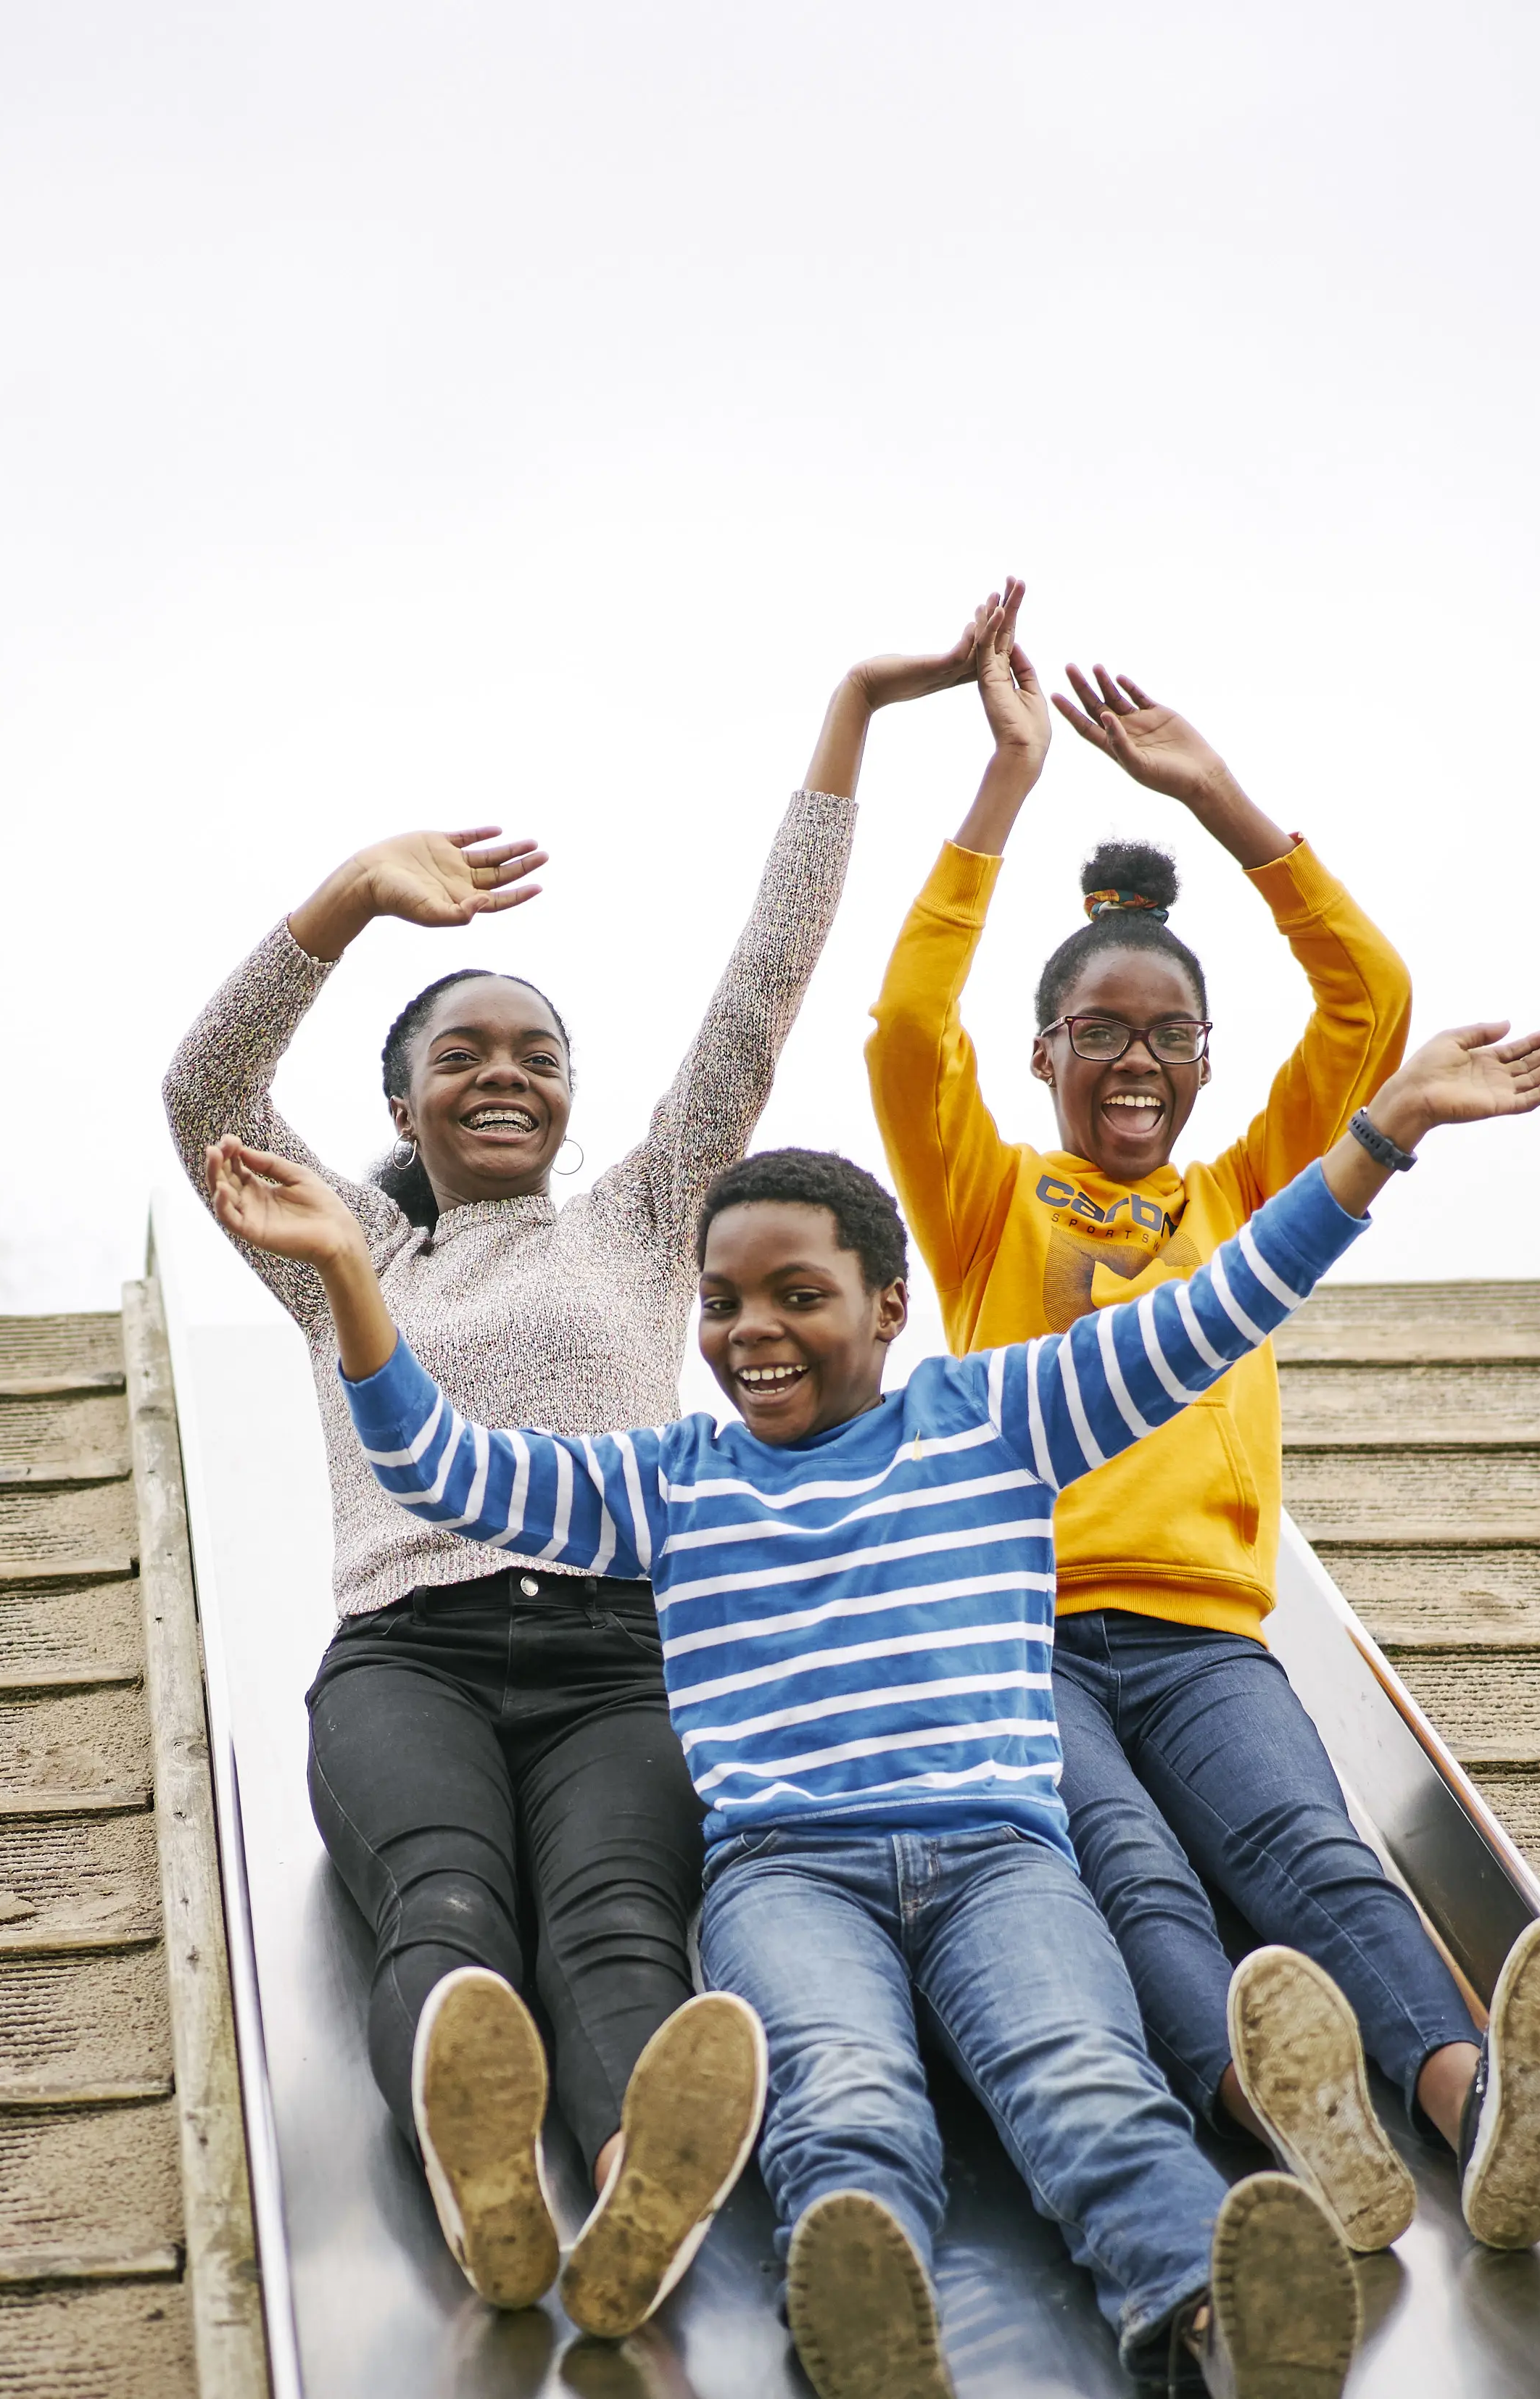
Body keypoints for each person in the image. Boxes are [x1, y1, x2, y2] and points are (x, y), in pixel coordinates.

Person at [194, 998, 1540, 2399]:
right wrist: (354, 1286)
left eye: (800, 1294)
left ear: (886, 1306)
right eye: (722, 1304)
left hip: (1000, 1863)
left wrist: (1385, 1130)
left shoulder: (992, 1418)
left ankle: (1217, 2317)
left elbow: (1216, 1311)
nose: (752, 1333)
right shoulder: (674, 1481)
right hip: (787, 1879)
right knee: (842, 2112)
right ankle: (869, 2332)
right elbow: (447, 1470)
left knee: (1085, 2087)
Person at [158, 592, 1016, 2336]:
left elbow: (767, 978)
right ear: (399, 1108)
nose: (501, 1075)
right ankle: (491, 2192)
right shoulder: (346, 1255)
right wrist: (339, 901)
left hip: (630, 1646)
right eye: (457, 1055)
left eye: (534, 1056)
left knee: (620, 1924)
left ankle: (636, 2180)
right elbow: (202, 1093)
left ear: (570, 1099)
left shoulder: (647, 1216)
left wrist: (853, 707)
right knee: (452, 1904)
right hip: (412, 1650)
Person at [864, 591, 1540, 2257]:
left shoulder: (1239, 1195)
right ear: (1045, 1049)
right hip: (1022, 1632)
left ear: (1206, 1063)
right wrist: (1001, 787)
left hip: (1206, 1632)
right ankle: (1281, 2120)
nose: (1134, 1060)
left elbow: (1368, 1006)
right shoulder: (988, 1201)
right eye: (1100, 1034)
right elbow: (905, 1029)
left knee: (1309, 1853)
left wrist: (1223, 800)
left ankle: (1469, 2108)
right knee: (1128, 1873)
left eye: (1168, 1036)